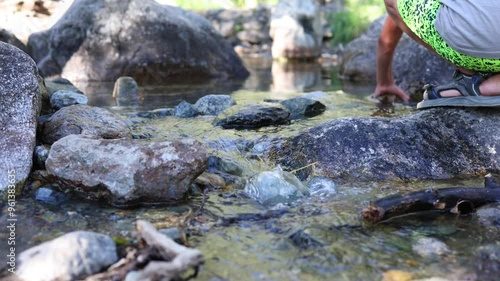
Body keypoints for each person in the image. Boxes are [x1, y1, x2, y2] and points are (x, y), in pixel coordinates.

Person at [374, 0, 500, 109]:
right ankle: (495, 82)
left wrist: (384, 81)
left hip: (472, 54)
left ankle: (471, 80)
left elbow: (394, 14)